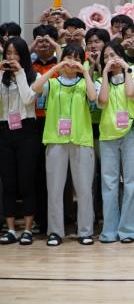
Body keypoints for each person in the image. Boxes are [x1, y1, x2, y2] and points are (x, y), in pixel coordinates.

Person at [32, 44, 97, 246]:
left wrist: (85, 72)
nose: (72, 62)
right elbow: (35, 88)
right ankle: (55, 232)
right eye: (69, 57)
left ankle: (85, 231)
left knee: (84, 189)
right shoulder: (52, 84)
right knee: (55, 188)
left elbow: (93, 97)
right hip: (55, 139)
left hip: (81, 139)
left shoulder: (84, 83)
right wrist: (55, 68)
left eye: (76, 58)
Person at [96, 41, 134, 243]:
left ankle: (129, 230)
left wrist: (127, 70)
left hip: (131, 132)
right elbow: (102, 101)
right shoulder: (100, 81)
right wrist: (104, 73)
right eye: (107, 57)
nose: (111, 60)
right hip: (108, 135)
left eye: (114, 55)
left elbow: (132, 95)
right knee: (109, 183)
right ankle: (109, 231)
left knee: (131, 182)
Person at [0, 38, 41, 245]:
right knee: (8, 182)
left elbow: (27, 99)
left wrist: (20, 73)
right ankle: (10, 229)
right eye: (8, 53)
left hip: (27, 131)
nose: (11, 57)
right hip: (4, 130)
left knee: (26, 181)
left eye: (16, 53)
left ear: (23, 55)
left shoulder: (34, 76)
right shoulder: (1, 76)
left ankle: (27, 229)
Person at [29, 24, 61, 235]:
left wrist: (55, 45)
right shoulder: (28, 65)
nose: (43, 43)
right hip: (33, 123)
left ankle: (59, 219)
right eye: (39, 39)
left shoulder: (60, 63)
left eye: (47, 39)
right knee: (37, 172)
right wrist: (32, 46)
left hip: (55, 121)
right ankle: (40, 220)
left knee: (56, 174)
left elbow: (65, 66)